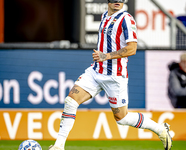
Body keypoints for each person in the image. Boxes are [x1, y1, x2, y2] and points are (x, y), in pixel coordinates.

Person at [48, 0, 172, 150]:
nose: (118, 1)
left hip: (115, 76)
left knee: (122, 118)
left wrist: (106, 56)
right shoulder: (104, 16)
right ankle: (58, 146)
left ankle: (160, 130)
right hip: (96, 71)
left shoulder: (126, 19)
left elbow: (132, 49)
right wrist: (102, 58)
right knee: (70, 101)